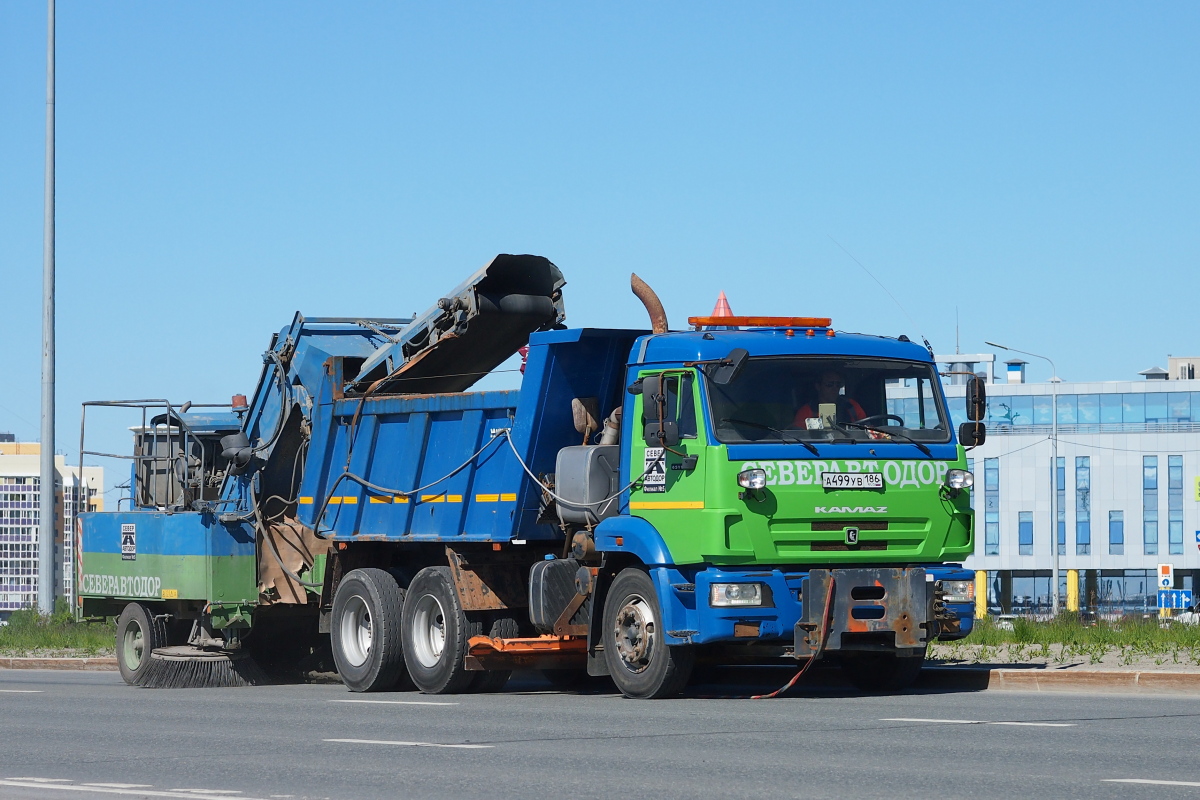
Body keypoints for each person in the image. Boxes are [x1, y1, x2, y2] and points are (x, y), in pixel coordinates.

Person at [792, 370, 865, 428]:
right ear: (818, 387)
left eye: (838, 385)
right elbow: (798, 436)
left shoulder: (851, 406)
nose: (835, 388)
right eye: (830, 384)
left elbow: (868, 430)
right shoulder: (806, 411)